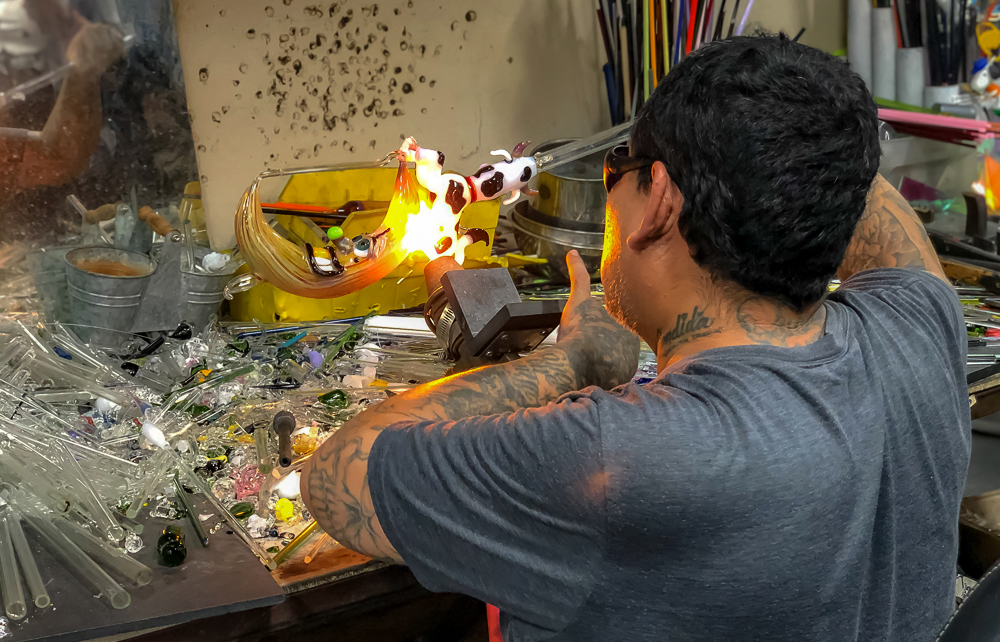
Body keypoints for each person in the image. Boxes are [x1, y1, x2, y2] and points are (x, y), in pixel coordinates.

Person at [302, 34, 970, 642]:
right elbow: (858, 189)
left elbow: (336, 475)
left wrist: (571, 361)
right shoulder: (918, 331)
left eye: (617, 166)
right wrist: (770, 130)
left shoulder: (621, 456)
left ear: (661, 203)